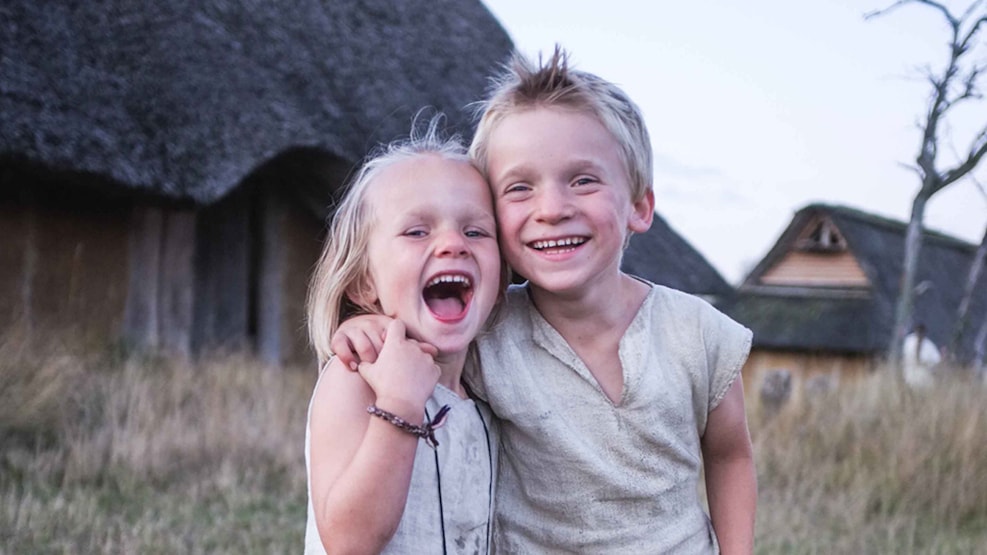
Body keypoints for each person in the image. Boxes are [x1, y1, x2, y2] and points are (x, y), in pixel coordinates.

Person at [334, 48, 757, 554]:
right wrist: (369, 327)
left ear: (640, 206)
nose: (552, 209)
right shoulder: (488, 333)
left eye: (583, 180)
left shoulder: (697, 332)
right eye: (519, 188)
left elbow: (730, 455)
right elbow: (417, 321)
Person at [303, 120, 504, 554]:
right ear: (362, 283)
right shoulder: (357, 378)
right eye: (417, 231)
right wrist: (399, 403)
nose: (454, 243)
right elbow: (349, 543)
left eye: (476, 231)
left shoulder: (489, 394)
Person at [901, 322, 941, 389]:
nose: (919, 334)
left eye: (921, 332)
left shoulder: (929, 346)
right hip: (910, 371)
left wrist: (927, 364)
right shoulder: (909, 341)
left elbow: (937, 360)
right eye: (918, 331)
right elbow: (906, 354)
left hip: (924, 374)